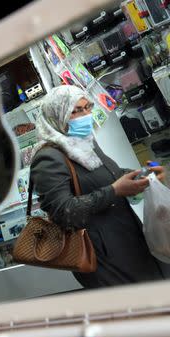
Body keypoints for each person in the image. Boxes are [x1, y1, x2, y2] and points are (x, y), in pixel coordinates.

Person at [30, 85, 167, 288]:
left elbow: (113, 175)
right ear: (57, 115)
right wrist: (115, 191)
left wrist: (145, 177)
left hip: (129, 240)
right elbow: (63, 212)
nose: (86, 115)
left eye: (87, 108)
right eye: (76, 110)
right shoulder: (48, 157)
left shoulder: (85, 143)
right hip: (102, 256)